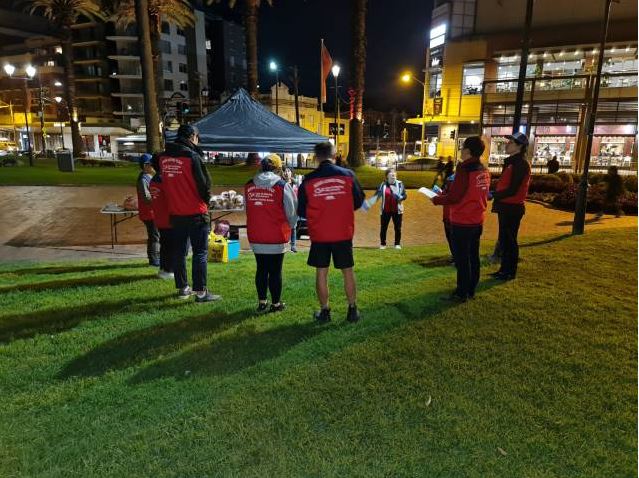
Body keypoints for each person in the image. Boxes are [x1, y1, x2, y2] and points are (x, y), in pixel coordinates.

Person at [297, 141, 366, 323]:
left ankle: (325, 311)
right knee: (347, 270)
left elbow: (301, 210)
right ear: (334, 155)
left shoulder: (308, 180)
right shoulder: (348, 175)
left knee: (321, 272)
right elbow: (359, 201)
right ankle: (352, 310)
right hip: (342, 232)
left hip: (320, 234)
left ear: (316, 158)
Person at [156, 124, 220, 302]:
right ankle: (201, 292)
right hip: (196, 212)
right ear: (192, 136)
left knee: (179, 252)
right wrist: (207, 201)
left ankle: (183, 288)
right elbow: (204, 185)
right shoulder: (192, 156)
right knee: (200, 252)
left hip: (175, 212)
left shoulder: (163, 157)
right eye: (198, 137)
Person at [432, 136, 490, 302]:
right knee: (473, 256)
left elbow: (454, 197)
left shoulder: (464, 170)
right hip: (477, 220)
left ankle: (461, 293)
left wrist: (436, 199)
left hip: (462, 221)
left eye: (463, 147)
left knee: (462, 259)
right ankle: (471, 289)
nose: (461, 150)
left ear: (468, 151)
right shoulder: (483, 169)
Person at [245, 155, 298, 313]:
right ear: (278, 168)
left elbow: (248, 209)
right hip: (276, 235)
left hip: (256, 234)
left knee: (261, 269)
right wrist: (292, 225)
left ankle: (262, 302)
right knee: (275, 271)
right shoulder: (282, 186)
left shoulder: (249, 185)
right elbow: (292, 210)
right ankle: (275, 304)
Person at [489, 132, 531, 281]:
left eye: (511, 142)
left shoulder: (521, 164)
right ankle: (504, 270)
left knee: (509, 240)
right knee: (505, 240)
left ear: (519, 146)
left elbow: (513, 189)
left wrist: (494, 194)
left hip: (512, 208)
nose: (507, 144)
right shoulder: (512, 162)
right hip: (506, 206)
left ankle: (509, 272)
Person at [369, 168, 407, 249]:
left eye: (394, 173)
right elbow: (376, 196)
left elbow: (405, 195)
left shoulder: (400, 184)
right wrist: (368, 203)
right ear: (387, 176)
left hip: (397, 210)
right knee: (383, 228)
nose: (393, 175)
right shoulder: (383, 185)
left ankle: (397, 244)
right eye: (391, 173)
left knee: (398, 228)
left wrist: (401, 198)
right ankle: (383, 244)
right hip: (385, 210)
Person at [149, 172, 174, 280]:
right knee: (170, 245)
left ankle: (164, 269)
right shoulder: (164, 178)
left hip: (160, 217)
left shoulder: (154, 179)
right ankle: (169, 270)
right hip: (168, 218)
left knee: (165, 245)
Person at [136, 153, 160, 267]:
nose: (153, 166)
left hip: (152, 212)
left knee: (155, 235)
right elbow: (146, 198)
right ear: (145, 165)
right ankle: (153, 259)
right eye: (151, 164)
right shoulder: (143, 179)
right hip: (148, 213)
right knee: (154, 236)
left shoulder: (148, 177)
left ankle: (155, 256)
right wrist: (159, 200)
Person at [282, 167, 299, 252]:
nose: (286, 173)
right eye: (285, 171)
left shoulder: (295, 184)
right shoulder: (281, 183)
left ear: (291, 173)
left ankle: (293, 245)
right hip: (283, 207)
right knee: (283, 226)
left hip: (294, 208)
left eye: (288, 171)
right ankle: (283, 244)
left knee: (293, 227)